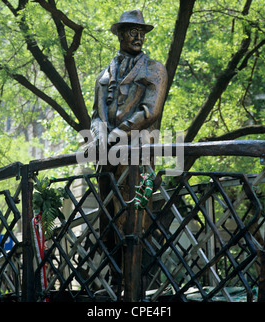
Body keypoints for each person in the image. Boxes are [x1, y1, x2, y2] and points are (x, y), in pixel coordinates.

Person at [90, 9, 168, 287]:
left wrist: (118, 133)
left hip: (136, 154)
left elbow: (150, 110)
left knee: (136, 219)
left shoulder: (154, 69)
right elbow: (96, 114)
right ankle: (114, 281)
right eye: (131, 31)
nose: (137, 37)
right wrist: (100, 134)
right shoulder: (105, 72)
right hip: (105, 158)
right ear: (120, 34)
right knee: (108, 222)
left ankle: (139, 286)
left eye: (141, 32)